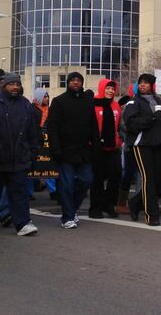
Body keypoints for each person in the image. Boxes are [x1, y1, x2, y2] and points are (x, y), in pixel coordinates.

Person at [0, 73, 40, 236]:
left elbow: (32, 131)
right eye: (12, 84)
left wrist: (33, 151)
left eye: (17, 84)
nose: (15, 87)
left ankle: (23, 223)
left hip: (19, 158)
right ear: (4, 86)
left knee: (19, 192)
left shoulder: (25, 105)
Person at [47, 72, 97, 228]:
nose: (76, 83)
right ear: (68, 82)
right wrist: (55, 149)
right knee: (66, 184)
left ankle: (72, 208)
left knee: (87, 180)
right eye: (73, 80)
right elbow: (52, 127)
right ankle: (67, 217)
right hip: (64, 151)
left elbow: (94, 126)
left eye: (79, 80)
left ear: (82, 83)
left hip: (83, 151)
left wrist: (96, 146)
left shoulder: (88, 102)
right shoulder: (59, 101)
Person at [123, 73, 161, 226]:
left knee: (156, 180)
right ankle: (151, 215)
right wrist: (152, 118)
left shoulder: (158, 101)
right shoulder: (133, 102)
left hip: (158, 145)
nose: (142, 85)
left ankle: (135, 203)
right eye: (140, 83)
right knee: (148, 179)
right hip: (141, 145)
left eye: (146, 83)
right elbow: (131, 123)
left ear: (152, 86)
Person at [89, 78, 123, 219]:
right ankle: (95, 208)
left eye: (112, 89)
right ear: (102, 88)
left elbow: (120, 125)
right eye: (108, 88)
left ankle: (109, 205)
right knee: (97, 179)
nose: (110, 91)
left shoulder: (116, 105)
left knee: (116, 175)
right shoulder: (93, 103)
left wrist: (119, 140)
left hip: (113, 147)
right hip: (96, 147)